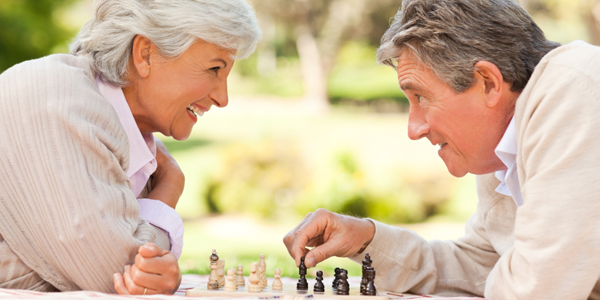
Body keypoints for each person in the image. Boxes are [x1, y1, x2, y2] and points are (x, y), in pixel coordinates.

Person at [283, 0, 600, 299]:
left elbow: (535, 288)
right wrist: (366, 239)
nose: (414, 129)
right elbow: (479, 269)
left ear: (487, 82)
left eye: (420, 97)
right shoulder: (503, 139)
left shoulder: (575, 89)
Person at [0, 0, 260, 295]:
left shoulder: (134, 146)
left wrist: (156, 271)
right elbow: (114, 274)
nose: (222, 98)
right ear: (145, 54)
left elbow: (133, 276)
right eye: (214, 68)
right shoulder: (56, 100)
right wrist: (169, 188)